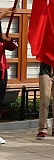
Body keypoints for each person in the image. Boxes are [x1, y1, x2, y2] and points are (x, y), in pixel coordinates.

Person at [0, 9, 18, 145]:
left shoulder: (2, 42)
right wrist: (5, 12)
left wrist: (7, 39)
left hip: (2, 73)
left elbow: (13, 47)